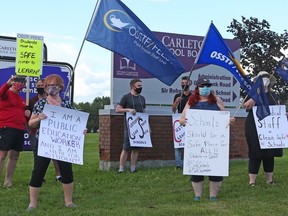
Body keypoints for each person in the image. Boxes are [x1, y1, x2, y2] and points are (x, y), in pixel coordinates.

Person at [27, 74, 81, 211]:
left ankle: (68, 202)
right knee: (38, 172)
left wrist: (82, 130)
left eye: (55, 85)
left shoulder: (67, 104)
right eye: (49, 85)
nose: (52, 88)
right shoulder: (41, 104)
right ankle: (32, 204)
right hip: (44, 143)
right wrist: (39, 118)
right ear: (45, 88)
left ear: (60, 87)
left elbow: (75, 123)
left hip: (62, 144)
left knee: (67, 172)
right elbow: (31, 123)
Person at [180, 75, 234, 201]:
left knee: (215, 168)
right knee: (197, 168)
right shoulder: (191, 101)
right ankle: (197, 195)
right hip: (197, 142)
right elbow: (181, 119)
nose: (205, 88)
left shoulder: (216, 100)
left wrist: (229, 120)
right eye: (202, 86)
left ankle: (213, 196)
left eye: (208, 86)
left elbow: (224, 117)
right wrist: (185, 121)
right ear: (197, 87)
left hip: (214, 142)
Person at [243, 71, 282, 186]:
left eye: (266, 77)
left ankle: (269, 180)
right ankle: (252, 181)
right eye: (262, 78)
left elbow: (278, 110)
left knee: (269, 153)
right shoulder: (252, 93)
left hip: (270, 129)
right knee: (255, 152)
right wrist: (257, 94)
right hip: (254, 127)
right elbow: (247, 106)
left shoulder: (274, 96)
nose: (265, 79)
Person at [28, 78, 62, 182]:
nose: (40, 88)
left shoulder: (64, 103)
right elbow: (30, 121)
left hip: (58, 136)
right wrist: (38, 118)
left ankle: (59, 176)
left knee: (57, 157)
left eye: (41, 86)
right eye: (38, 86)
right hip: (40, 136)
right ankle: (39, 177)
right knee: (39, 159)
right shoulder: (36, 102)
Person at [0, 76, 30, 188]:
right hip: (6, 127)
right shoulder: (6, 94)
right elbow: (1, 92)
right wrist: (8, 84)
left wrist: (27, 114)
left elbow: (25, 118)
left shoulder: (23, 100)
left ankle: (8, 181)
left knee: (14, 155)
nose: (20, 83)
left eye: (22, 81)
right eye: (18, 81)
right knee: (2, 155)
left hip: (19, 129)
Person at [116, 79, 146, 173]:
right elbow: (118, 109)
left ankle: (133, 168)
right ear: (133, 86)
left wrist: (147, 127)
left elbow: (144, 112)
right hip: (129, 127)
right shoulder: (126, 97)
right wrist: (128, 110)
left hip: (140, 126)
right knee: (126, 148)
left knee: (136, 148)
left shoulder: (142, 98)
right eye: (138, 86)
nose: (140, 87)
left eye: (141, 85)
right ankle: (121, 169)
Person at [172, 76, 192, 169]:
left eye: (186, 83)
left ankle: (189, 163)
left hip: (191, 121)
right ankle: (178, 165)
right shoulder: (177, 95)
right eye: (182, 83)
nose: (184, 84)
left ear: (190, 84)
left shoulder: (193, 96)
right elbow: (173, 110)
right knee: (178, 143)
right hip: (179, 120)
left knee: (190, 143)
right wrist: (176, 102)